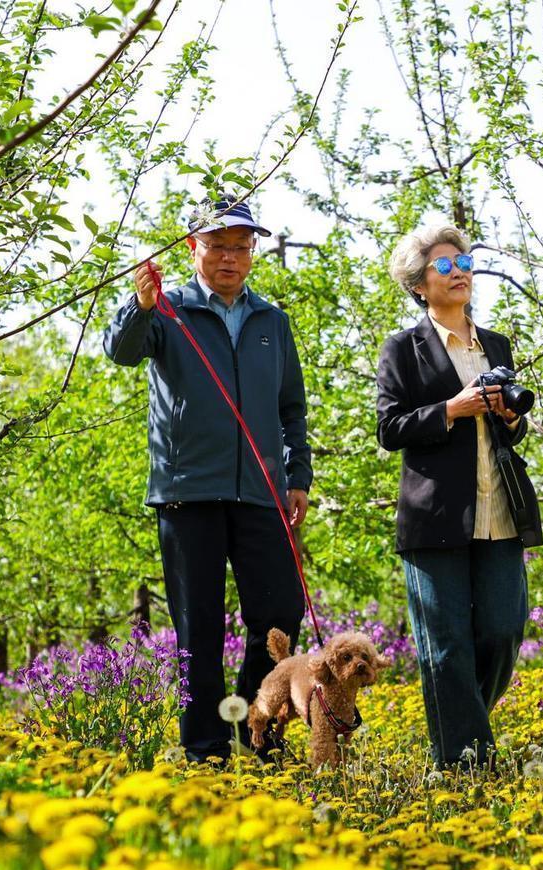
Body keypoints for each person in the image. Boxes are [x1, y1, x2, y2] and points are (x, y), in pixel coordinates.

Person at [103, 198, 313, 763]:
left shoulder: (272, 321)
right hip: (186, 492)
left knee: (277, 620)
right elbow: (120, 352)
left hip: (263, 492)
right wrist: (138, 305)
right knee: (198, 632)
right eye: (217, 244)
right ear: (192, 247)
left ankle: (258, 732)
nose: (230, 256)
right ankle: (205, 749)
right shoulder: (165, 311)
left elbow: (291, 408)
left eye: (241, 246)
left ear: (253, 253)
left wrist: (299, 476)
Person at [375, 222, 541, 768]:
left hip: (500, 511)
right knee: (445, 649)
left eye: (464, 263)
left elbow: (509, 432)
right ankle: (467, 764)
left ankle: (460, 728)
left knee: (502, 630)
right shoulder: (403, 348)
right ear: (419, 282)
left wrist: (509, 416)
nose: (460, 272)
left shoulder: (496, 345)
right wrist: (451, 409)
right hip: (434, 519)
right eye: (445, 266)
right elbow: (389, 427)